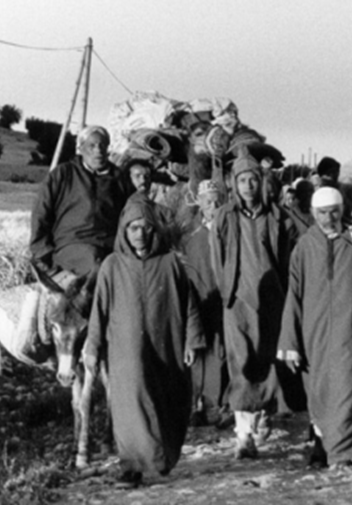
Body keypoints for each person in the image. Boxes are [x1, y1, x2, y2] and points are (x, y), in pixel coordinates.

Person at [83, 195, 204, 488]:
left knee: (166, 399)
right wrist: (93, 346)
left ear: (154, 230)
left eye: (146, 227)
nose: (140, 233)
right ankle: (131, 466)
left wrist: (192, 339)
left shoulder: (170, 263)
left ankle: (160, 457)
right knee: (130, 403)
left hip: (166, 344)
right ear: (124, 230)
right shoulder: (112, 266)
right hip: (126, 350)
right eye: (133, 227)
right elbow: (99, 311)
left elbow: (188, 303)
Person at [278, 187, 352, 472]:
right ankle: (331, 447)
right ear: (313, 213)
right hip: (314, 336)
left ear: (342, 211)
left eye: (334, 212)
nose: (329, 219)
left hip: (351, 332)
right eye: (322, 213)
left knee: (348, 392)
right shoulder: (304, 247)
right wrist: (289, 342)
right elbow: (294, 296)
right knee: (321, 396)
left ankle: (343, 455)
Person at [210, 150, 298, 459]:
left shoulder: (278, 218)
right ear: (233, 185)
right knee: (241, 364)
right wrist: (226, 292)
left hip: (272, 299)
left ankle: (264, 416)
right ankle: (243, 435)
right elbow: (217, 258)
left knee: (269, 362)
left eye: (253, 180)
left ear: (261, 182)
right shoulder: (224, 217)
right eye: (242, 180)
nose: (248, 186)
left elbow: (288, 260)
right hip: (237, 301)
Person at [30, 125, 132, 277]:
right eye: (92, 145)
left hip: (110, 246)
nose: (98, 150)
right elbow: (41, 212)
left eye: (102, 145)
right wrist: (42, 253)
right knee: (96, 264)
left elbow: (131, 213)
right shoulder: (63, 174)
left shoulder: (118, 178)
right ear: (80, 149)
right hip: (71, 244)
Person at [183, 180, 228, 426]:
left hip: (222, 300)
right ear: (199, 203)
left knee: (219, 351)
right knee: (197, 350)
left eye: (217, 201)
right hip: (197, 300)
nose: (213, 206)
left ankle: (216, 403)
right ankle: (195, 403)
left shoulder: (230, 232)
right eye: (208, 201)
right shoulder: (191, 235)